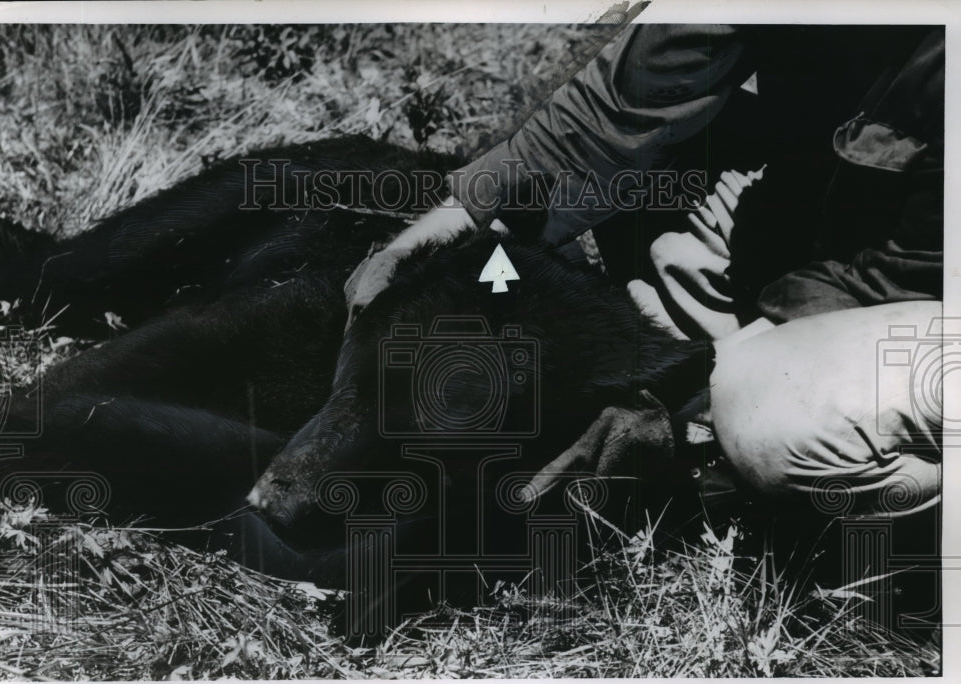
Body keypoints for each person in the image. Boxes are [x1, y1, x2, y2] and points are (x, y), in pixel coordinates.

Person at [344, 23, 945, 517]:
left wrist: (690, 400)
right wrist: (420, 252)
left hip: (929, 293)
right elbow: (597, 126)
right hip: (846, 211)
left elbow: (893, 280)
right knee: (665, 164)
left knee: (773, 416)